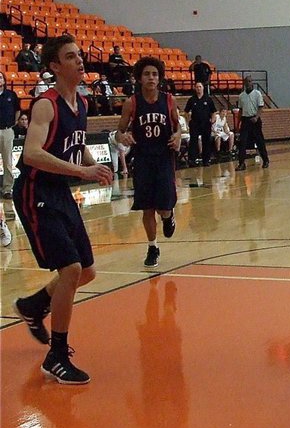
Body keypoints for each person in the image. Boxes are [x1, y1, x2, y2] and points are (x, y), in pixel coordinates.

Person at [13, 34, 114, 384]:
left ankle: (33, 305)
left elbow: (77, 146)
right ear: (55, 66)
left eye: (80, 55)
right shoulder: (46, 104)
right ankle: (56, 356)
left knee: (86, 272)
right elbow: (31, 154)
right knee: (70, 269)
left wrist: (94, 166)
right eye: (71, 57)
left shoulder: (81, 104)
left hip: (59, 191)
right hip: (35, 190)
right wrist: (81, 171)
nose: (80, 61)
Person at [116, 57, 180, 269]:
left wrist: (178, 136)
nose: (151, 77)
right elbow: (119, 131)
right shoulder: (131, 102)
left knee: (163, 206)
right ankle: (153, 247)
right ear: (139, 78)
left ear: (159, 77)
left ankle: (169, 216)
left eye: (154, 74)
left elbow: (178, 127)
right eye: (146, 74)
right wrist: (122, 137)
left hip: (164, 157)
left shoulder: (169, 100)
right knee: (147, 208)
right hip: (142, 158)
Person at [235, 76, 269, 170]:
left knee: (259, 141)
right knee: (242, 142)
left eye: (250, 81)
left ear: (252, 83)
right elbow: (240, 110)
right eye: (246, 82)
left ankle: (265, 160)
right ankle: (241, 163)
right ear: (244, 83)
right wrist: (238, 124)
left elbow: (261, 107)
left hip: (255, 120)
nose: (248, 83)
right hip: (245, 120)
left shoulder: (257, 94)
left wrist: (257, 117)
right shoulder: (241, 96)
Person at [184, 81, 215, 166]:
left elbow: (213, 112)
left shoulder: (208, 99)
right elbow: (186, 111)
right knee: (193, 142)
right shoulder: (192, 99)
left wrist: (212, 120)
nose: (198, 88)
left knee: (206, 142)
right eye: (197, 87)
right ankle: (192, 160)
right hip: (195, 124)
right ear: (195, 88)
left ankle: (206, 160)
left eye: (200, 87)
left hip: (206, 124)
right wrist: (188, 120)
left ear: (203, 88)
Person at [0, 70, 21, 199]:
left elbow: (18, 110)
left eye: (1, 77)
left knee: (7, 161)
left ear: (4, 80)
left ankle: (7, 189)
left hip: (7, 130)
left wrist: (14, 123)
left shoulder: (11, 95)